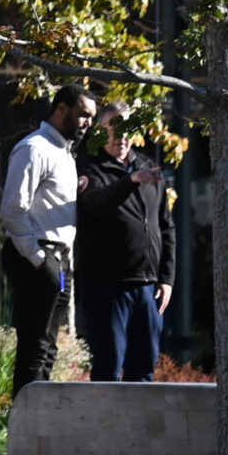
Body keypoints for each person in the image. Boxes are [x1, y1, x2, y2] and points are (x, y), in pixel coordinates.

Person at [1, 84, 96, 392]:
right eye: (83, 115)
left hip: (58, 258)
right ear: (61, 109)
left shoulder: (64, 152)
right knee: (35, 347)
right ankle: (25, 428)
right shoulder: (35, 148)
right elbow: (12, 210)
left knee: (47, 348)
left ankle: (37, 425)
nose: (88, 124)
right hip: (40, 256)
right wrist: (40, 259)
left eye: (92, 118)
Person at [74, 104, 173, 383]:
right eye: (115, 127)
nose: (122, 135)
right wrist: (130, 181)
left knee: (144, 371)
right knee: (108, 368)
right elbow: (95, 205)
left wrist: (167, 279)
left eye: (128, 128)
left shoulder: (147, 167)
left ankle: (139, 428)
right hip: (108, 288)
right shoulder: (89, 168)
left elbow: (166, 226)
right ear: (101, 130)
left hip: (148, 288)